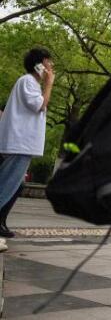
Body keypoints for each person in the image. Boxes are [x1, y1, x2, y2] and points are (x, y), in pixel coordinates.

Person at [0, 49, 55, 234]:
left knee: (11, 184)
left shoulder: (30, 84)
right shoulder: (28, 81)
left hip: (21, 144)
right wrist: (49, 84)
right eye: (48, 62)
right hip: (19, 144)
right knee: (6, 186)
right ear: (39, 65)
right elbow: (40, 105)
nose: (51, 66)